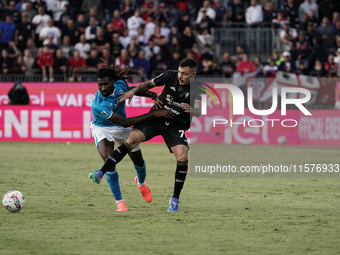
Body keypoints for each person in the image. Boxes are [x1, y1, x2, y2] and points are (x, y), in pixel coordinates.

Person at [88, 58, 204, 212]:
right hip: (134, 122)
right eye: (179, 72)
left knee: (181, 157)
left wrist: (192, 109)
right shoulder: (170, 75)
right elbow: (147, 86)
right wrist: (151, 108)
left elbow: (199, 109)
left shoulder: (198, 88)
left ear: (193, 75)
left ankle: (172, 198)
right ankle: (105, 179)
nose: (180, 76)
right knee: (130, 141)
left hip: (175, 125)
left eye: (184, 73)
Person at [89, 63, 173, 211]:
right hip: (103, 128)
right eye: (100, 85)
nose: (103, 88)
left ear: (113, 82)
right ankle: (119, 202)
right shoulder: (98, 105)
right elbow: (125, 122)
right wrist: (153, 114)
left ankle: (140, 182)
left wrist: (152, 95)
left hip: (122, 128)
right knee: (110, 162)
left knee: (138, 161)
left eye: (106, 84)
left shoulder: (120, 84)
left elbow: (132, 90)